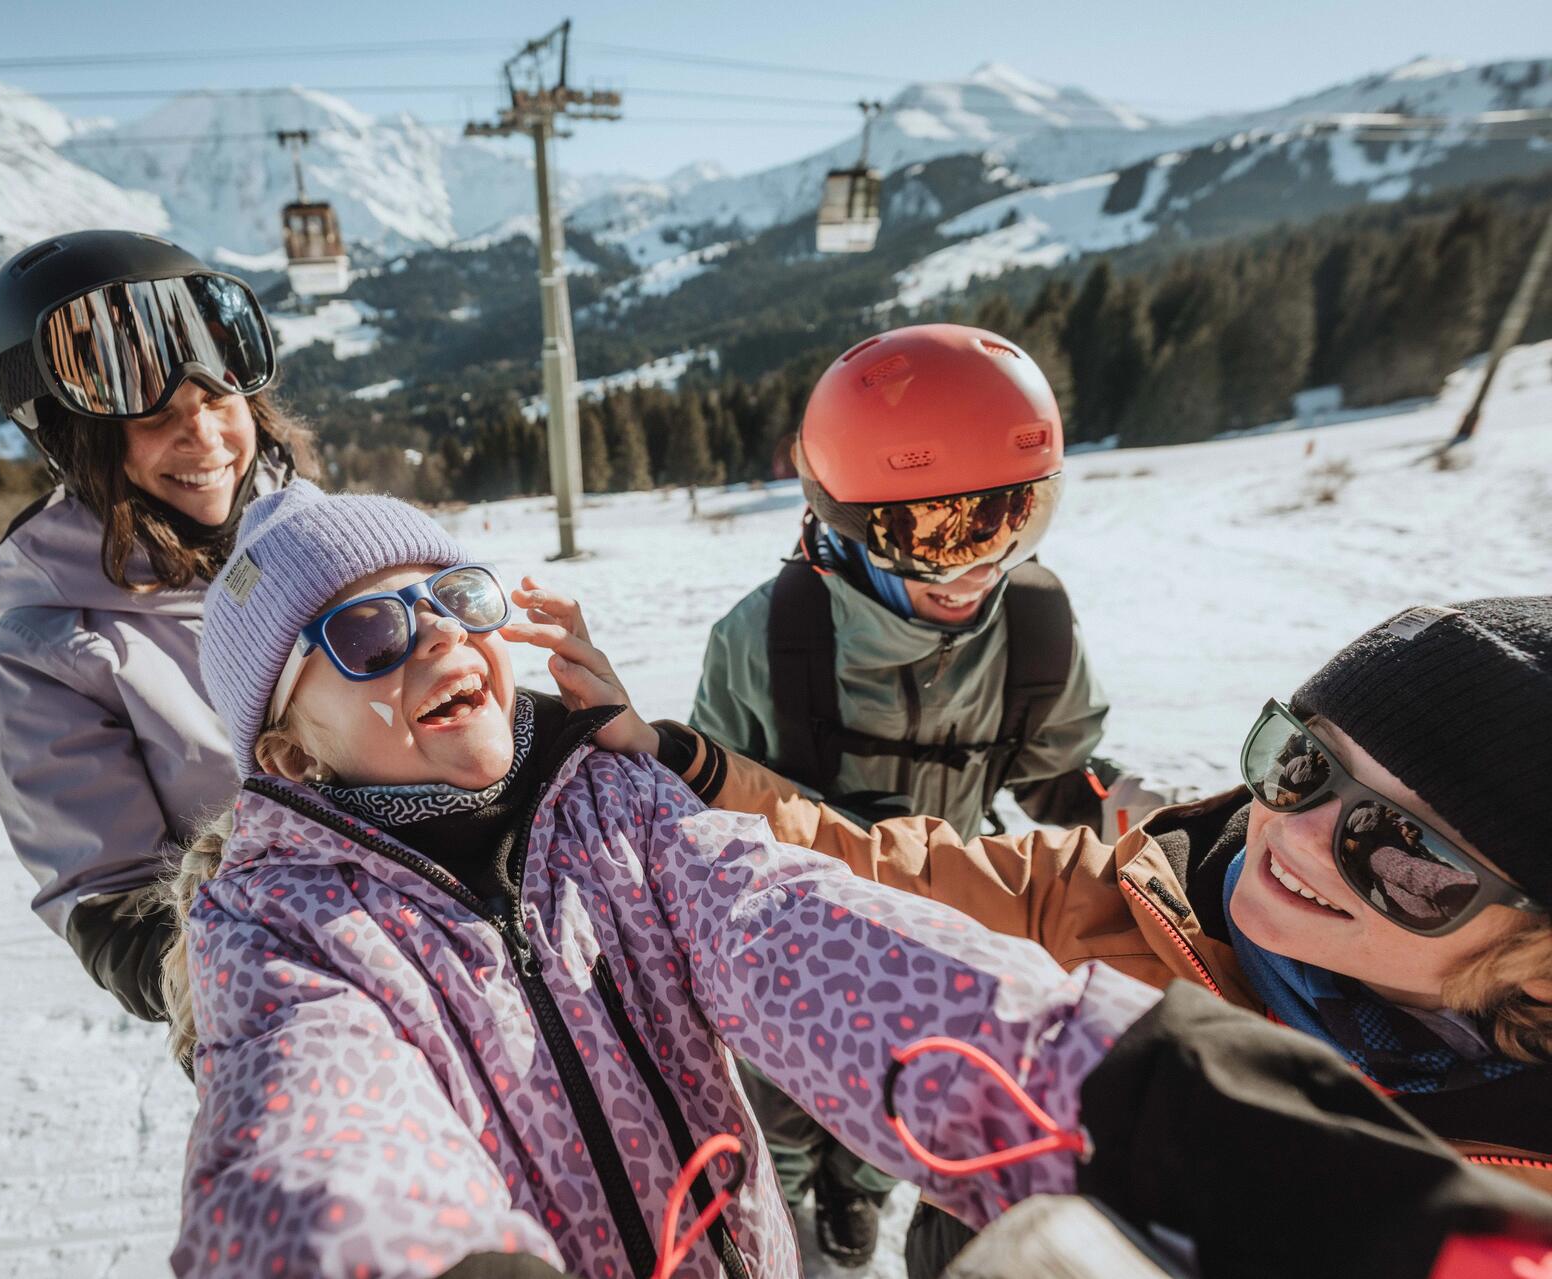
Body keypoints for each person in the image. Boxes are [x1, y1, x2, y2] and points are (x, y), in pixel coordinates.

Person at [160, 480, 1162, 1279]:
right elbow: (314, 1135)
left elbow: (806, 932)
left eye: (457, 597)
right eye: (369, 634)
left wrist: (1125, 1094)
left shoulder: (618, 803)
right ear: (290, 754)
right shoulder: (281, 928)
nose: (438, 636)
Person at [519, 588, 1552, 1199]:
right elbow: (869, 859)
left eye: (1406, 853)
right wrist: (669, 755)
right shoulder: (1125, 900)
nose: (1303, 835)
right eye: (1300, 764)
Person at [688, 323, 1128, 1264]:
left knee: (914, 1088)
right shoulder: (768, 642)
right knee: (786, 1098)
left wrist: (1121, 820)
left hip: (946, 918)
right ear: (847, 519)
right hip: (793, 929)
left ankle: (860, 1190)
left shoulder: (1037, 631)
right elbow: (709, 806)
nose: (980, 569)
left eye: (1016, 520)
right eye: (941, 534)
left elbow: (1058, 769)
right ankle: (788, 1194)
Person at [0, 229, 313, 1023]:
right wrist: (271, 981)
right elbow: (111, 899)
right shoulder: (53, 651)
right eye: (160, 415)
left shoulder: (317, 541)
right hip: (301, 1012)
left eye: (216, 401)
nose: (204, 440)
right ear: (79, 438)